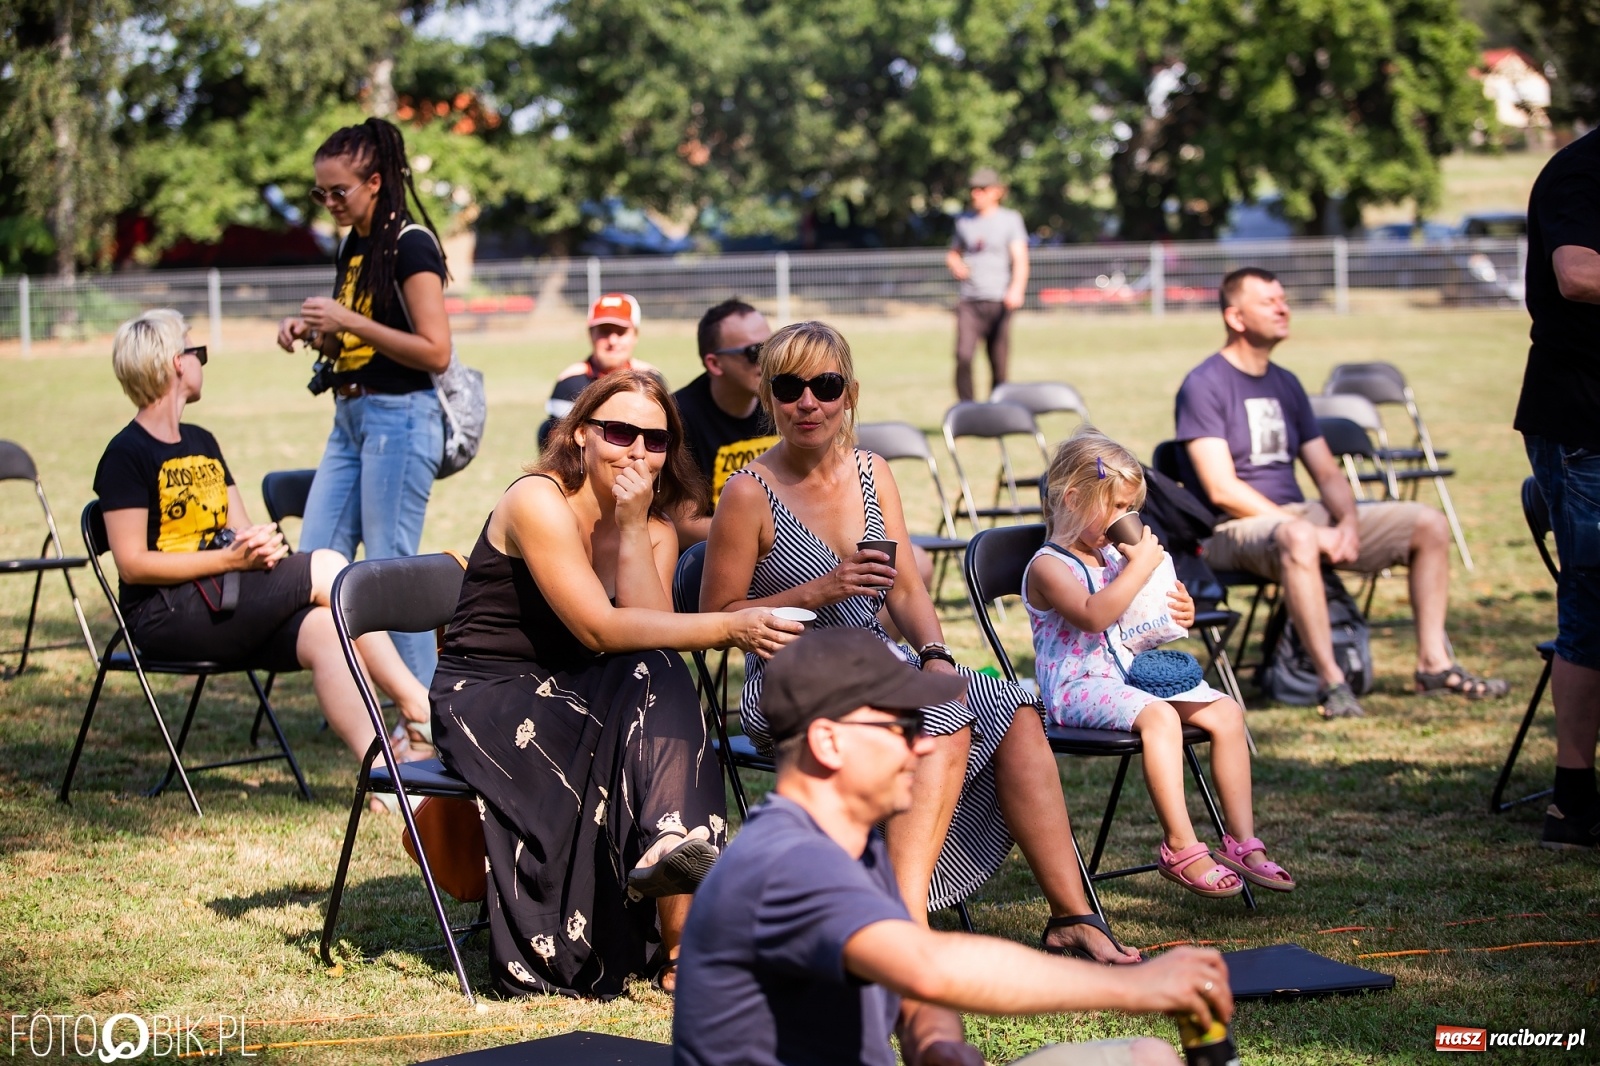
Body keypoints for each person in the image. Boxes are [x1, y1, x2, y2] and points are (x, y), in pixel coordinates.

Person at [702, 321, 1138, 964]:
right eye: (788, 388)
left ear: (850, 393)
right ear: (768, 397)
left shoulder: (872, 472)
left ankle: (1071, 915)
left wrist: (935, 654)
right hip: (792, 678)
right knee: (943, 717)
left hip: (882, 663)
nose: (807, 403)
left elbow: (906, 590)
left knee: (1014, 709)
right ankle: (904, 924)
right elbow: (717, 617)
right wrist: (820, 590)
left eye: (825, 386)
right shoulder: (748, 493)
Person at [674, 629, 1233, 1066]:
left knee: (1149, 1056)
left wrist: (932, 1039)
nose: (922, 745)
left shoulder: (848, 847)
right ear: (829, 742)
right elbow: (928, 966)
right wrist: (1136, 985)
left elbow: (911, 977)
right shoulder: (789, 863)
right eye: (900, 727)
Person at [430, 369, 804, 999]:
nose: (637, 452)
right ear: (580, 434)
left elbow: (652, 637)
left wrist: (633, 526)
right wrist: (727, 627)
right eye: (619, 432)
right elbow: (599, 628)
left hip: (588, 685)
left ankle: (672, 855)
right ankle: (684, 926)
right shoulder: (537, 500)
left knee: (657, 670)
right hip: (493, 693)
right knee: (649, 675)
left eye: (655, 440)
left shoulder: (654, 528)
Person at [95, 310, 432, 776]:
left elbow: (240, 529)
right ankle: (418, 706)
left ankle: (382, 775)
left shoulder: (202, 441)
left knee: (326, 627)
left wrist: (255, 545)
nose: (202, 363)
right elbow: (132, 564)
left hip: (224, 600)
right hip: (163, 616)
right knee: (330, 566)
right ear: (177, 363)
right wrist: (229, 559)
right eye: (197, 353)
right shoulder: (125, 455)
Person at [1176, 267, 1505, 719]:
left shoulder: (1285, 383)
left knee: (1427, 524)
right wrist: (1305, 528)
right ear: (1235, 317)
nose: (1283, 309)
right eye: (1269, 302)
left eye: (1283, 299)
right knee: (1299, 536)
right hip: (1232, 529)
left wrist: (1348, 522)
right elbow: (1222, 488)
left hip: (1299, 516)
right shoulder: (1203, 384)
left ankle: (1434, 663)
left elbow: (1328, 473)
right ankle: (1332, 682)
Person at [1027, 427, 1293, 898]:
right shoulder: (1049, 566)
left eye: (1131, 508)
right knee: (1161, 718)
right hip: (1076, 688)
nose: (1125, 519)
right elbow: (1093, 616)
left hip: (1127, 679)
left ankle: (1241, 842)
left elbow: (1139, 612)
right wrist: (1138, 568)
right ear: (1072, 499)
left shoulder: (1113, 558)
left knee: (1227, 711)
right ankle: (1181, 845)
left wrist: (1177, 608)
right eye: (1116, 506)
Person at [275, 116, 453, 684]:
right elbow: (350, 342)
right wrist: (314, 332)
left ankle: (424, 712)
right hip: (351, 418)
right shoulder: (354, 243)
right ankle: (364, 699)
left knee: (388, 575)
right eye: (319, 193)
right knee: (316, 560)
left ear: (375, 182)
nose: (329, 203)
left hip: (401, 418)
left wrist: (346, 319)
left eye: (338, 191)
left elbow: (436, 351)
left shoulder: (410, 244)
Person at [1515, 127, 1600, 850]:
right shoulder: (1583, 172)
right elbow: (1577, 273)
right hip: (1584, 424)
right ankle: (1572, 803)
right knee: (1593, 606)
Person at [670, 298, 779, 548]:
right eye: (754, 352)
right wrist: (766, 533)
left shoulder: (786, 398)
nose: (767, 361)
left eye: (772, 347)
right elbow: (683, 525)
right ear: (714, 363)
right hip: (709, 555)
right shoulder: (678, 417)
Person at [946, 167, 1029, 402]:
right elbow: (953, 253)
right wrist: (955, 264)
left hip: (999, 299)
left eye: (982, 189)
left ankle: (997, 407)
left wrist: (1017, 289)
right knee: (963, 355)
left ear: (996, 191)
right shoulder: (964, 221)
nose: (976, 194)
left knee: (999, 362)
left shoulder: (1010, 220)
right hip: (970, 301)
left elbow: (1020, 258)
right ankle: (967, 408)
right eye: (973, 189)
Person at [537, 293, 663, 449]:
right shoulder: (570, 383)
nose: (612, 341)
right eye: (605, 331)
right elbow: (559, 447)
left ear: (635, 335)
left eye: (621, 332)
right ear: (591, 334)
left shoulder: (651, 379)